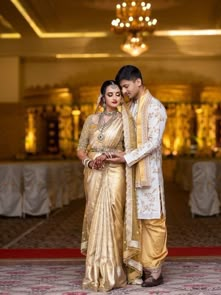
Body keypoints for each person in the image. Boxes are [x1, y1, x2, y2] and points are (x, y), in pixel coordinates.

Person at [76, 80, 141, 292]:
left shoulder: (126, 120)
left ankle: (114, 270)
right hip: (93, 172)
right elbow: (80, 148)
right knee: (95, 215)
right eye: (110, 94)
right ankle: (94, 271)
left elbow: (131, 149)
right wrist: (89, 161)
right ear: (102, 97)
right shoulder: (91, 120)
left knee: (114, 215)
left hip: (114, 171)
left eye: (118, 94)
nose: (115, 97)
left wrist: (110, 155)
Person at [109, 65, 168, 287]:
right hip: (131, 174)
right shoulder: (130, 107)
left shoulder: (155, 108)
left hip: (149, 174)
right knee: (136, 220)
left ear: (138, 82)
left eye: (125, 86)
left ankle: (155, 271)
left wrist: (127, 157)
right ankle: (138, 268)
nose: (123, 91)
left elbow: (153, 142)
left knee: (153, 220)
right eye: (121, 88)